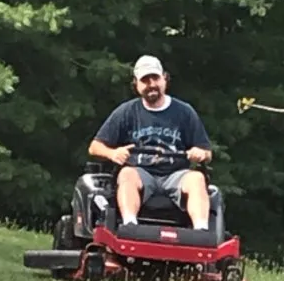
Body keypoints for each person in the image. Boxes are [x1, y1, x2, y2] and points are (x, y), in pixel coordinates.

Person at [88, 56, 213, 229]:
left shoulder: (185, 112)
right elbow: (95, 147)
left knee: (197, 178)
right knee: (126, 174)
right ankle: (130, 225)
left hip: (176, 174)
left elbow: (207, 152)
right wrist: (113, 153)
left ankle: (201, 230)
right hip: (141, 173)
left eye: (155, 78)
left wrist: (200, 153)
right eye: (145, 80)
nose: (151, 84)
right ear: (136, 84)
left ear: (165, 79)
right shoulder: (126, 112)